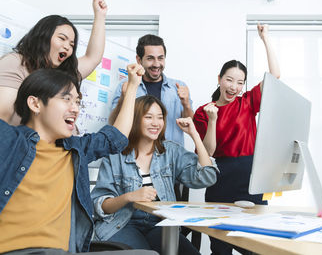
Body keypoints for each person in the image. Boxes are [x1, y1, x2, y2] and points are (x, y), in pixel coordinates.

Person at [0, 64, 158, 255]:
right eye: (66, 99)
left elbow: (116, 138)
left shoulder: (75, 149)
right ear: (35, 104)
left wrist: (133, 86)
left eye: (77, 101)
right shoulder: (9, 140)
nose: (75, 108)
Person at [193, 24, 280, 255]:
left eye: (240, 82)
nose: (234, 87)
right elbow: (208, 153)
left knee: (256, 246)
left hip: (250, 179)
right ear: (219, 79)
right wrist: (212, 121)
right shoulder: (203, 112)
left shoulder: (248, 102)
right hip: (219, 181)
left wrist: (265, 39)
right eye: (229, 80)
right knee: (220, 249)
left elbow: (276, 76)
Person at [91, 95, 218, 255]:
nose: (156, 123)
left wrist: (194, 134)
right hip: (122, 223)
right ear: (136, 119)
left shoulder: (170, 151)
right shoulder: (116, 156)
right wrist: (129, 197)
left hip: (159, 223)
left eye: (160, 117)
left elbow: (207, 177)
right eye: (149, 117)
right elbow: (100, 205)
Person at [0, 0, 107, 126]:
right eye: (62, 38)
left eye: (72, 44)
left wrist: (100, 16)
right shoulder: (16, 63)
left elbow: (93, 58)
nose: (67, 47)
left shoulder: (62, 74)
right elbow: (2, 117)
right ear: (43, 37)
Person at [109, 34, 193, 146]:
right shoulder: (126, 86)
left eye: (160, 58)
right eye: (150, 58)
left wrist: (186, 104)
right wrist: (123, 98)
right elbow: (113, 123)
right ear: (139, 60)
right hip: (136, 156)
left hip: (172, 158)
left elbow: (191, 125)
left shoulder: (178, 87)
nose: (156, 64)